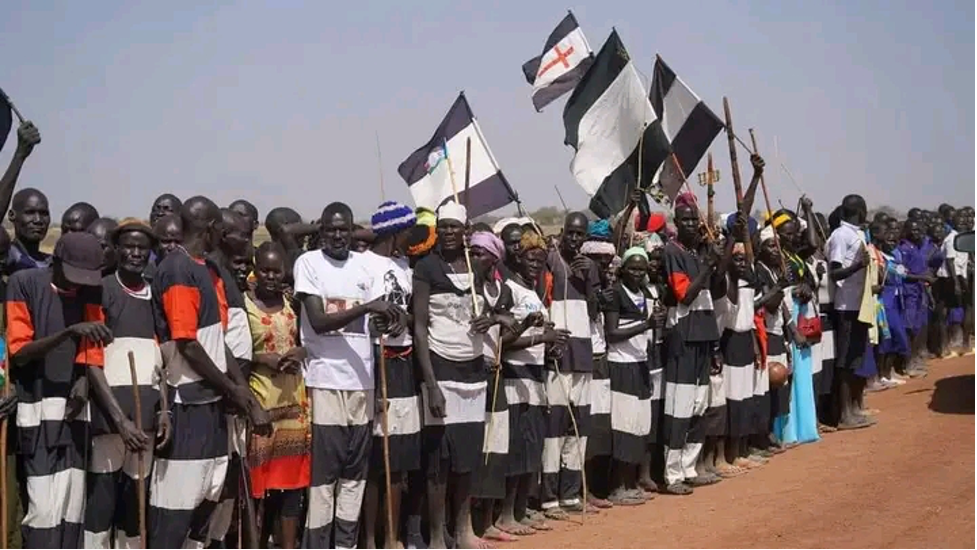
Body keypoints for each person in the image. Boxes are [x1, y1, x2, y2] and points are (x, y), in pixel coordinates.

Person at [147, 196, 269, 548]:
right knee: (175, 510)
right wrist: (234, 391)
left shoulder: (207, 269)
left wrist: (239, 389)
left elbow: (217, 342)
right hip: (188, 405)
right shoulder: (176, 269)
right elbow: (188, 345)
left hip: (213, 406)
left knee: (206, 505)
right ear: (212, 228)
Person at [293, 202, 397, 549]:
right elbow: (319, 323)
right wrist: (367, 307)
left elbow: (380, 322)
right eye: (331, 229)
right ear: (321, 230)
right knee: (324, 476)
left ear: (352, 231)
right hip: (325, 381)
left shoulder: (366, 268)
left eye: (344, 229)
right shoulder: (309, 264)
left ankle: (346, 544)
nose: (338, 235)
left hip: (362, 382)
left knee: (355, 473)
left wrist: (390, 318)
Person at [7, 232, 109, 548]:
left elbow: (92, 350)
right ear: (56, 261)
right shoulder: (24, 283)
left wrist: (82, 381)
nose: (78, 283)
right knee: (43, 508)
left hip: (75, 409)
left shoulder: (91, 290)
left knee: (72, 504)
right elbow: (19, 351)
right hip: (37, 407)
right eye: (73, 274)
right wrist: (68, 331)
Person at [413, 201, 498, 549]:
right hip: (440, 367)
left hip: (474, 371)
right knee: (438, 462)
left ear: (465, 231)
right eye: (443, 226)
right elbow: (419, 328)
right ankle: (436, 536)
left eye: (455, 227)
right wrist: (431, 385)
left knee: (466, 458)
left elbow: (491, 310)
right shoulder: (426, 268)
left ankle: (463, 530)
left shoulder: (476, 268)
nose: (449, 232)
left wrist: (491, 319)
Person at [84, 219, 170, 549]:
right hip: (110, 422)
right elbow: (91, 362)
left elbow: (160, 361)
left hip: (146, 422)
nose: (135, 253)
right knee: (102, 502)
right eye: (129, 247)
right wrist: (120, 421)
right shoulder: (102, 290)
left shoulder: (154, 293)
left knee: (135, 508)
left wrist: (164, 411)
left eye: (142, 248)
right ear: (117, 250)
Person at [360, 201, 423, 550]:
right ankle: (369, 539)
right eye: (408, 231)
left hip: (404, 361)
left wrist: (404, 320)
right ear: (395, 232)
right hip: (375, 360)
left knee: (398, 460)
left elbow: (415, 314)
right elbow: (355, 313)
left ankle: (392, 538)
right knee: (376, 458)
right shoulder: (362, 264)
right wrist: (377, 322)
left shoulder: (405, 266)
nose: (412, 237)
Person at [496, 230, 563, 536]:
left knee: (532, 446)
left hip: (536, 375)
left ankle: (522, 510)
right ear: (518, 258)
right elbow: (504, 342)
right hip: (514, 376)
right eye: (530, 259)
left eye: (540, 260)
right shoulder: (508, 290)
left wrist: (552, 345)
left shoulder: (534, 292)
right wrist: (540, 337)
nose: (536, 265)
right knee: (517, 447)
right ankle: (506, 514)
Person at [660, 196, 727, 496]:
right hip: (683, 336)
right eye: (685, 220)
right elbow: (685, 294)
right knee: (680, 407)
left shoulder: (701, 253)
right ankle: (672, 474)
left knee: (701, 404)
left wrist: (716, 258)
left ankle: (689, 466)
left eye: (694, 220)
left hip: (704, 335)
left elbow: (716, 288)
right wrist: (708, 266)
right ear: (676, 223)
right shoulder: (671, 252)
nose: (691, 224)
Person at [245, 242, 309, 550]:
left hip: (294, 404)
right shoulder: (244, 305)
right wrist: (261, 358)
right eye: (265, 270)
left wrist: (301, 351)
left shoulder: (292, 303)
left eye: (277, 270)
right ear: (256, 270)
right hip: (261, 402)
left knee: (291, 486)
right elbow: (236, 354)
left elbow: (310, 341)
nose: (271, 276)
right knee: (258, 488)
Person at [541, 212, 599, 519]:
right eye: (571, 234)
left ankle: (571, 493)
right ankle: (549, 497)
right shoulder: (550, 261)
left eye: (580, 235)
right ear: (562, 233)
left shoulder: (589, 267)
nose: (574, 240)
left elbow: (594, 311)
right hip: (558, 352)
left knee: (580, 428)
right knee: (555, 427)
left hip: (583, 353)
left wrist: (589, 279)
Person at [604, 247, 661, 504]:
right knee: (623, 426)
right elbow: (612, 333)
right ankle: (617, 487)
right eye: (633, 268)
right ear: (623, 269)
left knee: (638, 426)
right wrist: (645, 325)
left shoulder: (645, 293)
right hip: (621, 364)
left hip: (640, 363)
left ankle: (630, 482)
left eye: (642, 269)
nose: (637, 273)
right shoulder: (616, 294)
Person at [827, 195, 875, 430]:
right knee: (845, 362)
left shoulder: (858, 233)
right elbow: (834, 273)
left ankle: (854, 408)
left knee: (856, 358)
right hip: (846, 307)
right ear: (860, 211)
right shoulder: (840, 235)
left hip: (860, 304)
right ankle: (844, 414)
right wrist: (858, 265)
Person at [6, 188, 52, 274]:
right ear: (12, 215)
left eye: (44, 213)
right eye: (30, 213)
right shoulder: (7, 257)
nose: (38, 220)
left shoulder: (53, 264)